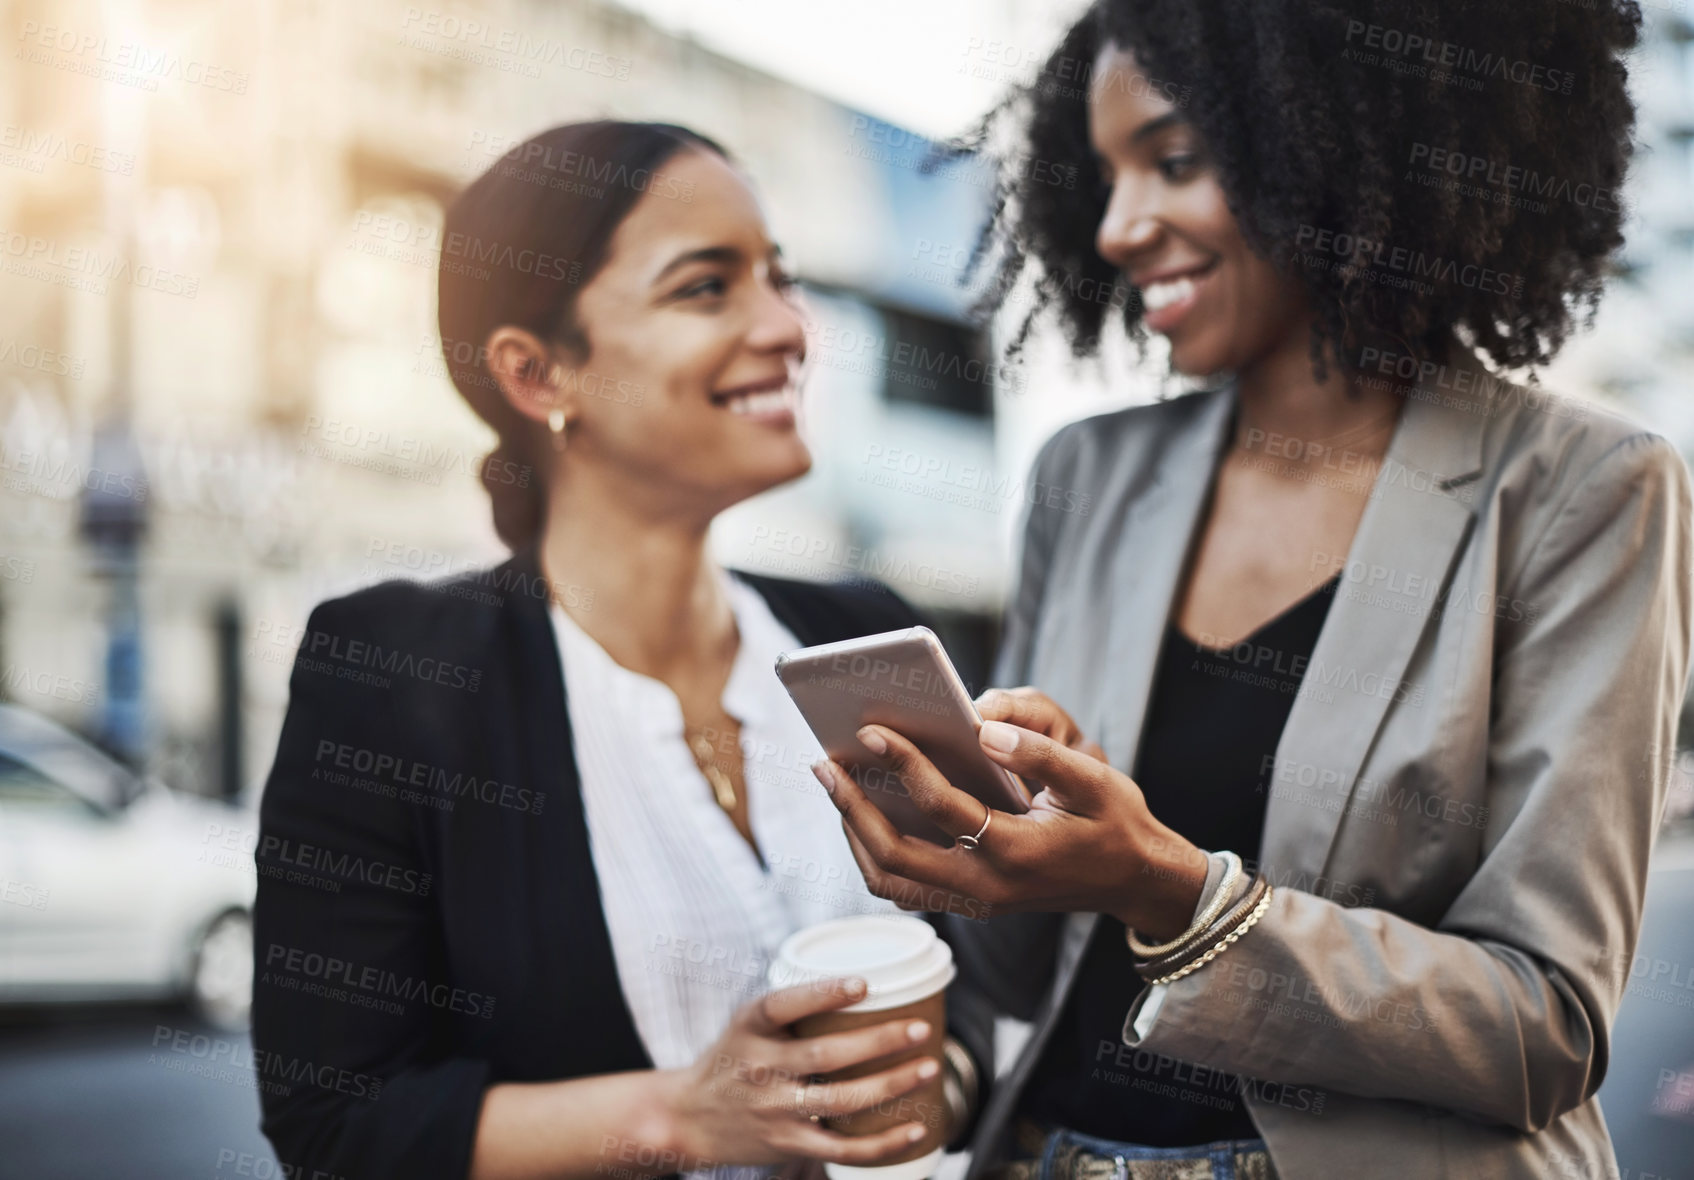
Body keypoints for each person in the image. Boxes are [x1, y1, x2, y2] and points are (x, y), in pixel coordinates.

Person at [816, 3, 1693, 1178]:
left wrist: (1164, 886)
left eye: (1173, 159)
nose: (1122, 225)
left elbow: (1540, 1027)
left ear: (1338, 138)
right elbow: (1015, 986)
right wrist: (956, 965)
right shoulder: (1088, 476)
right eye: (1105, 173)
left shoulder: (1581, 492)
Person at [251, 121, 994, 1180]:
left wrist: (939, 1094)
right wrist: (684, 1119)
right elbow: (339, 1128)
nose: (787, 326)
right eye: (706, 287)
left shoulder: (856, 631)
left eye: (780, 279)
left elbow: (974, 975)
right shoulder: (395, 671)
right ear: (537, 373)